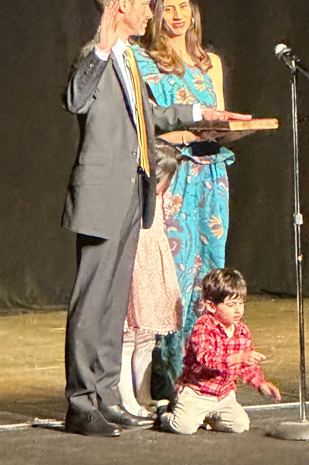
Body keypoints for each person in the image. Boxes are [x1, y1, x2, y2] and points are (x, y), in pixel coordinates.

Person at [61, 0, 246, 438]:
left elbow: (154, 115)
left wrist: (202, 113)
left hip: (133, 193)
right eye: (146, 3)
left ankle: (107, 396)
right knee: (92, 303)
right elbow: (75, 99)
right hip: (103, 195)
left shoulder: (127, 58)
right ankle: (81, 403)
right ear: (120, 6)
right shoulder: (98, 54)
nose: (152, 12)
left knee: (114, 305)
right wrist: (100, 50)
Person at [135, 0, 237, 401]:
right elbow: (148, 122)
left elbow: (220, 118)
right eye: (168, 8)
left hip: (211, 173)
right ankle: (168, 375)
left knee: (211, 270)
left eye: (183, 7)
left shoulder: (209, 62)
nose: (177, 16)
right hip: (175, 173)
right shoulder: (144, 60)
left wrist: (233, 129)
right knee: (175, 274)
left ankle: (206, 372)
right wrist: (182, 137)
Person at [160, 267, 281, 434]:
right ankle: (165, 414)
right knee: (184, 427)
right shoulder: (203, 327)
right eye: (231, 305)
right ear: (211, 305)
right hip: (198, 392)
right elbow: (206, 358)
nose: (238, 310)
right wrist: (237, 358)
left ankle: (207, 418)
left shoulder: (242, 331)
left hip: (224, 395)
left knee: (240, 425)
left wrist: (260, 383)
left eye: (241, 303)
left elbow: (247, 365)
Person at [119, 141, 184, 418]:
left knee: (146, 338)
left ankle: (143, 395)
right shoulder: (130, 197)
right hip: (134, 268)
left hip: (152, 269)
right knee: (127, 339)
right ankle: (126, 399)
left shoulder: (159, 199)